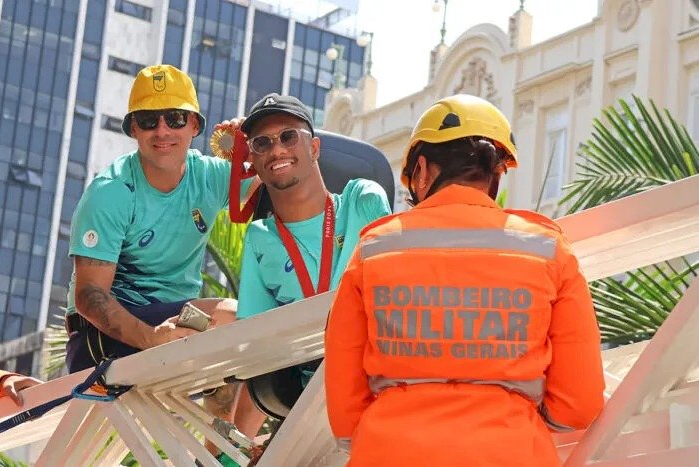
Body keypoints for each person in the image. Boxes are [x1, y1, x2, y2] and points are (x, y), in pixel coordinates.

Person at [324, 94, 606, 466]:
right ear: (496, 173)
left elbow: (344, 406)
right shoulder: (546, 249)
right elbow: (579, 403)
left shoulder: (375, 248)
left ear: (422, 168)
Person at [205, 93, 392, 465]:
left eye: (288, 136)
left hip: (374, 398)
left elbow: (395, 298)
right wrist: (229, 457)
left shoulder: (362, 200)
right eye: (262, 143)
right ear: (254, 161)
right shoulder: (260, 239)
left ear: (315, 147)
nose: (277, 150)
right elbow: (261, 355)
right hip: (305, 410)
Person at [65, 64, 238, 374]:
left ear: (194, 125)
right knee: (230, 316)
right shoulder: (111, 192)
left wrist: (255, 145)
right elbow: (89, 296)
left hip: (175, 324)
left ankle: (226, 422)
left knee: (253, 333)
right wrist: (151, 338)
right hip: (102, 338)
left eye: (175, 118)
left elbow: (284, 184)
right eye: (148, 120)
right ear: (133, 129)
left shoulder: (210, 177)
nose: (162, 130)